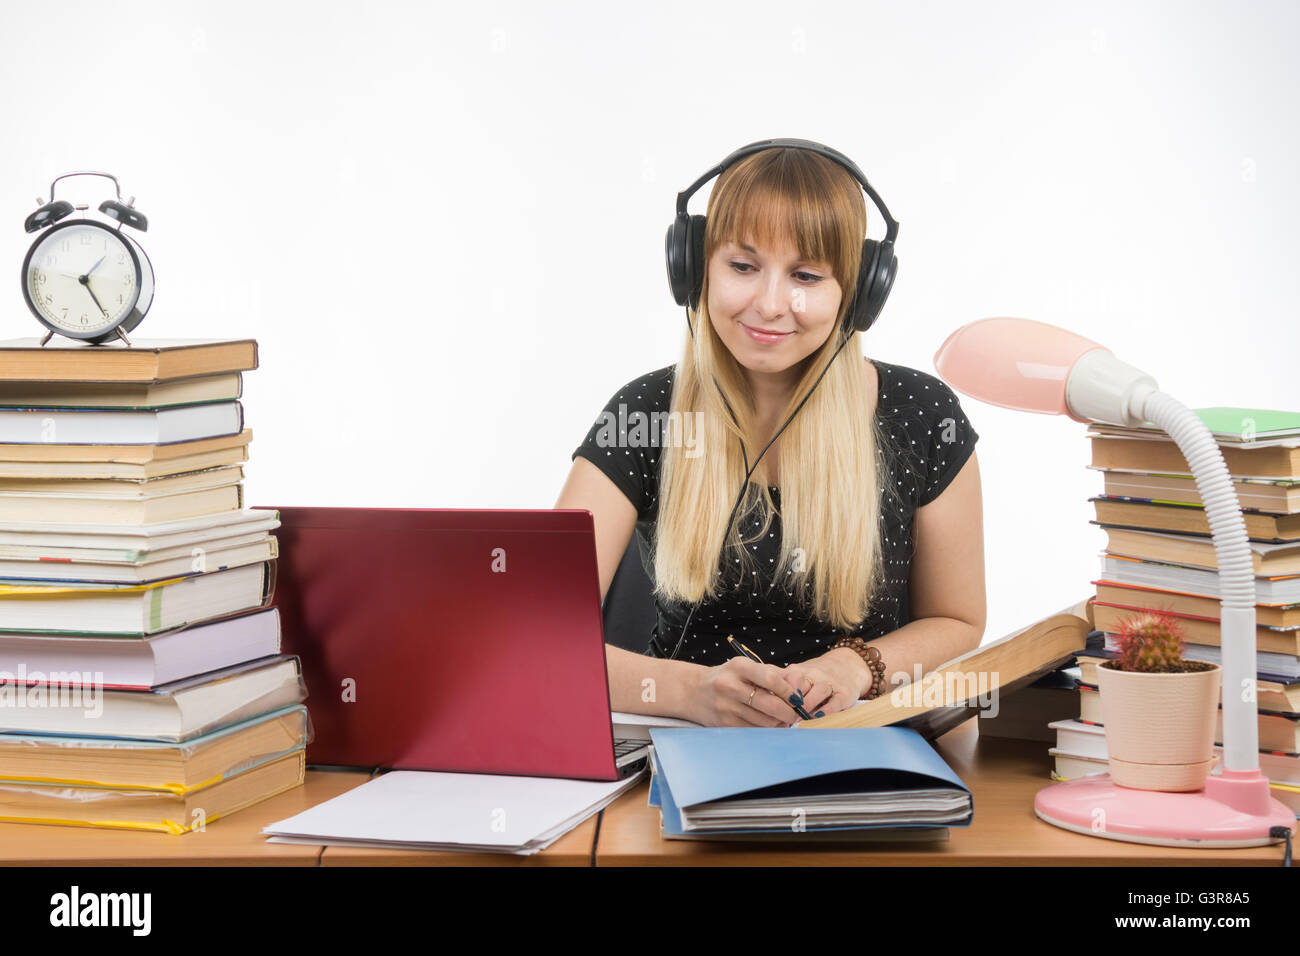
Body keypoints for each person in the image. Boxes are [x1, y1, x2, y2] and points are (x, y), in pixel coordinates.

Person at [555, 143, 985, 727]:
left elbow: (958, 621)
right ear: (695, 267)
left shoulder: (922, 415)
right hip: (679, 748)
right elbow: (540, 639)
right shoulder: (648, 413)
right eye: (742, 266)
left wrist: (858, 666)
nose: (770, 304)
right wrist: (691, 692)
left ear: (858, 294)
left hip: (862, 751)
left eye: (806, 275)